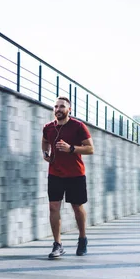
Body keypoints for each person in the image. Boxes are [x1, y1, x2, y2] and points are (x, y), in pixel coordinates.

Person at [42, 96, 94, 259]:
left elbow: (90, 149)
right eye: (56, 107)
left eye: (62, 107)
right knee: (53, 207)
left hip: (75, 174)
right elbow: (45, 141)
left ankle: (82, 238)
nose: (58, 109)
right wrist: (46, 153)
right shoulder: (48, 127)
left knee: (77, 207)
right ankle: (57, 244)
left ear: (69, 110)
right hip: (55, 173)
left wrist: (71, 148)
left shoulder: (78, 126)